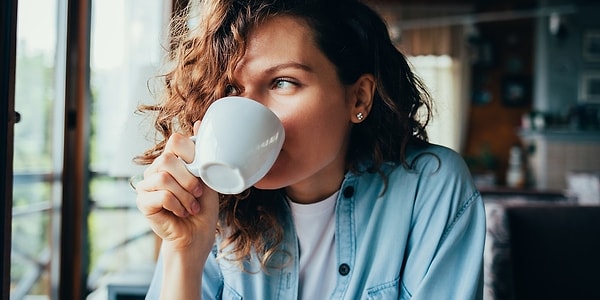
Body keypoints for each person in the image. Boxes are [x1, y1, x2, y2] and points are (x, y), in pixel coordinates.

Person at [134, 0, 486, 299]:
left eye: (282, 82)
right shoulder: (213, 205)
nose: (249, 110)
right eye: (230, 88)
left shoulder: (430, 187)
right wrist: (183, 254)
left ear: (358, 97)